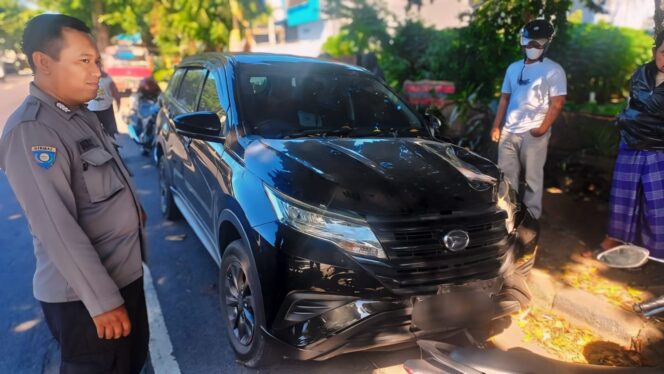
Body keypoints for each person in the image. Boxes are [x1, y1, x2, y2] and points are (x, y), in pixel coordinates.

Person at [0, 14, 148, 373]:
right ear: (43, 62)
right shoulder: (33, 130)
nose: (96, 71)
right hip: (85, 298)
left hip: (122, 279)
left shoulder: (77, 114)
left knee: (131, 363)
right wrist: (102, 301)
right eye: (84, 60)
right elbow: (56, 227)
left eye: (96, 61)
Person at [490, 19, 567, 221]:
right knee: (506, 177)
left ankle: (532, 219)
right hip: (509, 131)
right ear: (522, 42)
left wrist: (541, 129)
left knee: (533, 178)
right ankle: (507, 217)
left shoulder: (554, 70)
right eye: (529, 41)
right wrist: (496, 126)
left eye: (538, 42)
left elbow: (558, 102)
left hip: (534, 133)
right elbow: (505, 98)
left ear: (547, 43)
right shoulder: (513, 68)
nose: (533, 47)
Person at [600, 31, 664, 258]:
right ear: (655, 52)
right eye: (663, 53)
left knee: (657, 202)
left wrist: (637, 118)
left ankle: (655, 250)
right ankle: (616, 238)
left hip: (659, 149)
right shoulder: (641, 74)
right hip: (631, 142)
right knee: (623, 194)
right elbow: (633, 105)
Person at [87, 68, 121, 137]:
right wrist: (118, 105)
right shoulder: (108, 79)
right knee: (111, 133)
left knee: (92, 133)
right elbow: (116, 95)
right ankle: (111, 145)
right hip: (107, 109)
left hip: (91, 110)